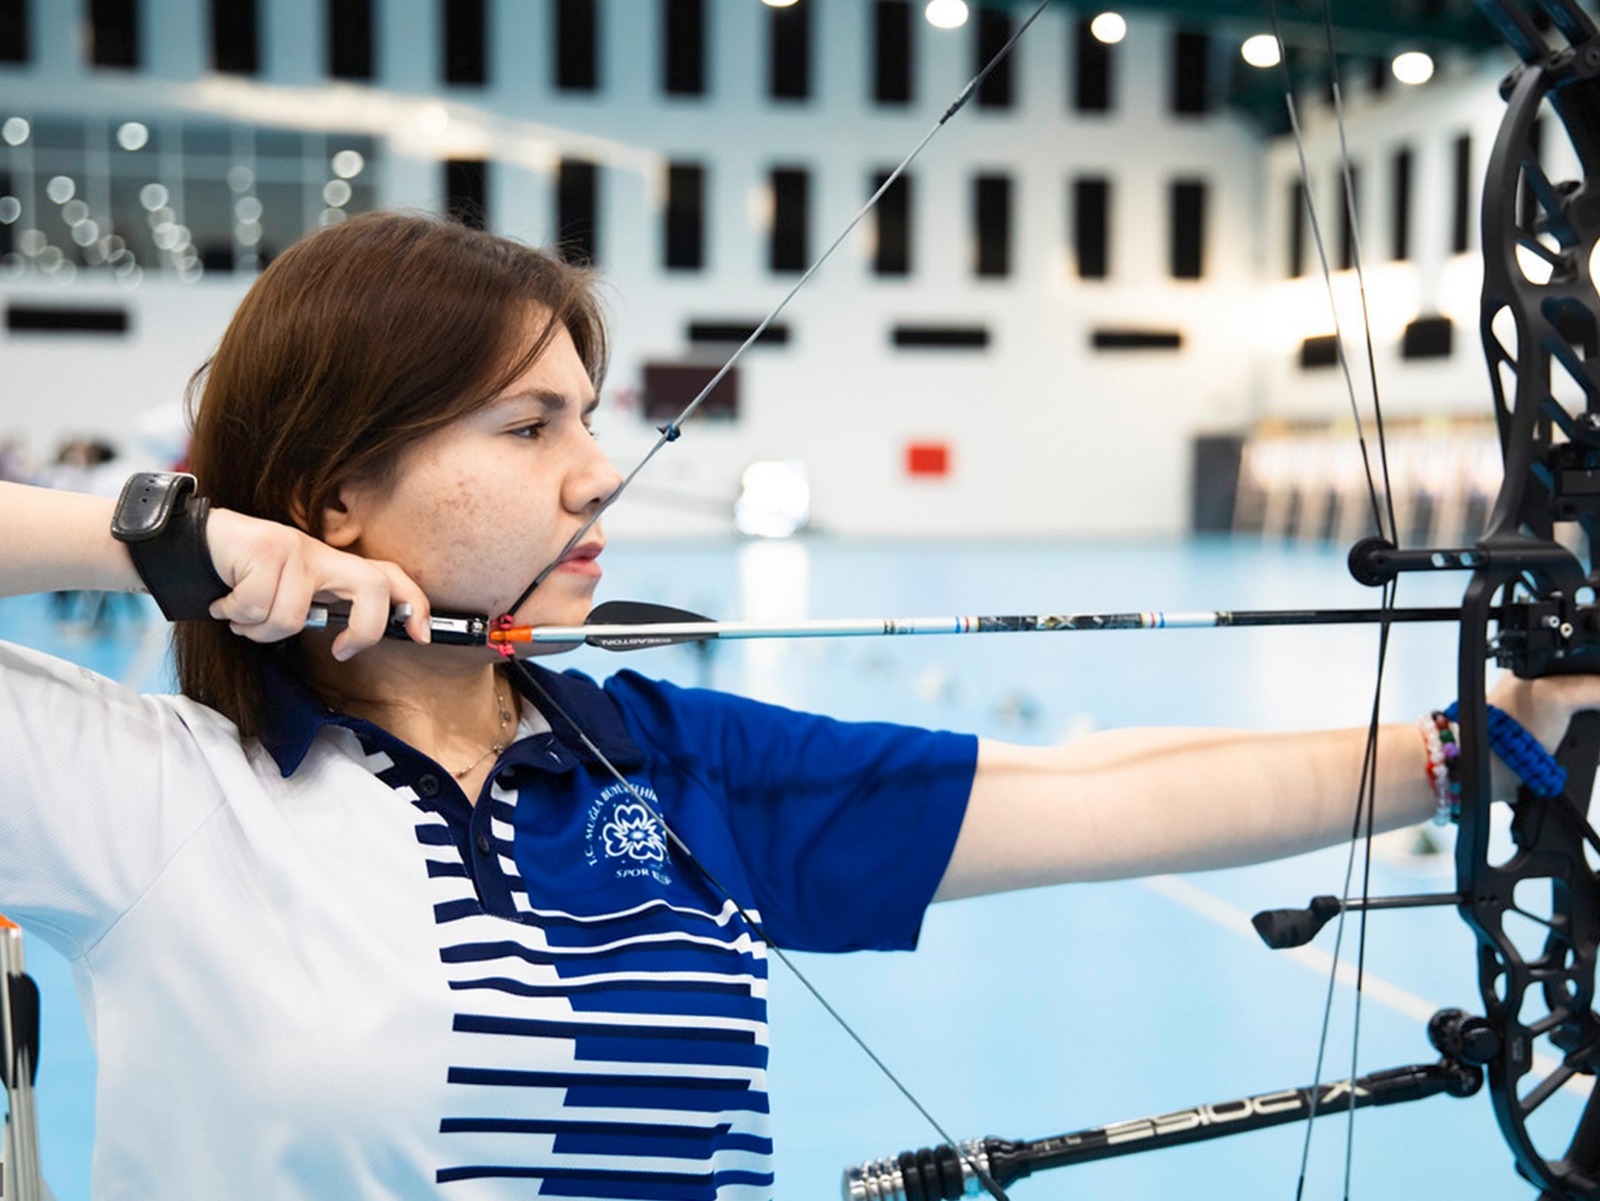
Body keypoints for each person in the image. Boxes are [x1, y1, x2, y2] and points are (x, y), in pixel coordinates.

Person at [0, 212, 1594, 1201]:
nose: (595, 469)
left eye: (593, 415)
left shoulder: (658, 758)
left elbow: (1093, 792)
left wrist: (1496, 731)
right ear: (338, 494)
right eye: (529, 421)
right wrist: (157, 534)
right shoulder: (152, 794)